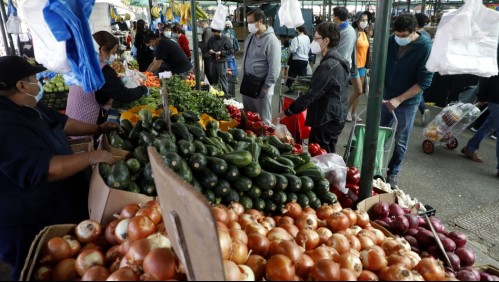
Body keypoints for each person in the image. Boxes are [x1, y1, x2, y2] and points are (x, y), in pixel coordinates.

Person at [0, 56, 117, 280]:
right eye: (34, 78)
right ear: (21, 85)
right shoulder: (5, 123)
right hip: (26, 222)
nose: (39, 82)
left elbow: (64, 123)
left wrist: (99, 128)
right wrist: (92, 157)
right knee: (33, 269)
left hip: (53, 206)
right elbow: (44, 168)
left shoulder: (29, 104)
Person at [273, 22, 350, 153]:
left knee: (319, 155)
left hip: (327, 118)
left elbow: (310, 96)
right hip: (336, 115)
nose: (312, 42)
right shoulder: (339, 59)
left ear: (326, 40)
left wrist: (285, 113)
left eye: (316, 38)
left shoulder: (328, 66)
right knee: (328, 155)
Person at [381, 13, 434, 189]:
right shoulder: (391, 40)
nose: (399, 39)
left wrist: (399, 99)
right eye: (397, 34)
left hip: (407, 103)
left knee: (401, 139)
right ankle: (374, 168)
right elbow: (381, 63)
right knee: (379, 134)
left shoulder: (425, 47)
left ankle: (393, 173)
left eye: (403, 36)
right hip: (386, 95)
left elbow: (424, 82)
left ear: (414, 31)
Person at [66, 31, 148, 126]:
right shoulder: (102, 70)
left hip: (71, 120)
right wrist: (143, 89)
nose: (113, 56)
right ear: (103, 49)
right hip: (86, 124)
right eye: (113, 52)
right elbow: (124, 95)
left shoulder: (81, 63)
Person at [460, 43, 499, 177]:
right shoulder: (494, 50)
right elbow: (486, 74)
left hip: (495, 97)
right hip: (496, 98)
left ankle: (470, 148)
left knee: (489, 125)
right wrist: (482, 97)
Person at [241, 8, 281, 123]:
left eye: (251, 22)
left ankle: (265, 140)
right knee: (249, 117)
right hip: (248, 82)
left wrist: (266, 87)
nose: (249, 25)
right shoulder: (250, 37)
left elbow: (275, 67)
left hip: (261, 85)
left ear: (260, 21)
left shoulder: (271, 40)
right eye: (247, 22)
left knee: (263, 120)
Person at [332, 7, 361, 122]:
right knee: (352, 91)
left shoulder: (347, 32)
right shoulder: (340, 29)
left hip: (347, 66)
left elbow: (342, 54)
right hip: (350, 65)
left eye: (333, 16)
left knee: (345, 92)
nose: (332, 18)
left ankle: (342, 113)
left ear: (337, 17)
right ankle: (344, 112)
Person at [347, 11, 371, 122]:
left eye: (366, 20)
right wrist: (352, 65)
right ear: (357, 21)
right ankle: (345, 111)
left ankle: (354, 113)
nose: (364, 22)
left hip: (363, 67)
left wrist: (368, 66)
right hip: (354, 66)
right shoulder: (354, 32)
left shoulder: (366, 33)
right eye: (362, 20)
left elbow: (367, 51)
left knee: (358, 93)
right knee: (358, 91)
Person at [415, 13, 431, 126]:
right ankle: (423, 109)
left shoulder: (418, 35)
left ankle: (423, 108)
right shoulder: (427, 35)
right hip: (424, 69)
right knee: (418, 90)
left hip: (415, 69)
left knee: (415, 91)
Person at [206, 27, 234, 95]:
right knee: (214, 78)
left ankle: (225, 94)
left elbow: (231, 50)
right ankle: (215, 94)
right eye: (213, 32)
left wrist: (221, 52)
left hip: (222, 62)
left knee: (222, 78)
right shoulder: (211, 39)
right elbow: (207, 48)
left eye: (215, 32)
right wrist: (209, 51)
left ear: (219, 32)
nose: (214, 34)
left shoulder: (226, 38)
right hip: (213, 61)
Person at [285, 25, 311, 94]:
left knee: (292, 75)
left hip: (297, 59)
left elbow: (293, 50)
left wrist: (290, 47)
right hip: (305, 59)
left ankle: (291, 89)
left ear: (297, 30)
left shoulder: (296, 39)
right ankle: (302, 91)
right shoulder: (307, 38)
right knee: (302, 75)